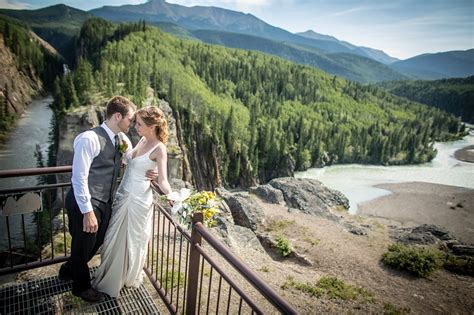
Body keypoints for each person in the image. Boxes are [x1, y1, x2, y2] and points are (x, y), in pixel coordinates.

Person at [58, 96, 155, 302]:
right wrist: (87, 211)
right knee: (82, 244)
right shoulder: (89, 139)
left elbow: (132, 159)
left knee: (98, 240)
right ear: (117, 116)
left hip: (105, 201)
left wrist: (151, 170)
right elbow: (79, 177)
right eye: (130, 119)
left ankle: (68, 269)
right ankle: (81, 287)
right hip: (85, 202)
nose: (131, 123)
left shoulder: (122, 140)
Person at [92, 105, 173, 298]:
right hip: (123, 194)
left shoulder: (160, 148)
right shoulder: (143, 140)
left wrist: (170, 195)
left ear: (152, 126)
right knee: (114, 237)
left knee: (129, 240)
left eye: (140, 124)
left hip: (137, 200)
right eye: (136, 122)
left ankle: (118, 279)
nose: (135, 126)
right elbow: (130, 160)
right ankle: (112, 274)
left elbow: (163, 180)